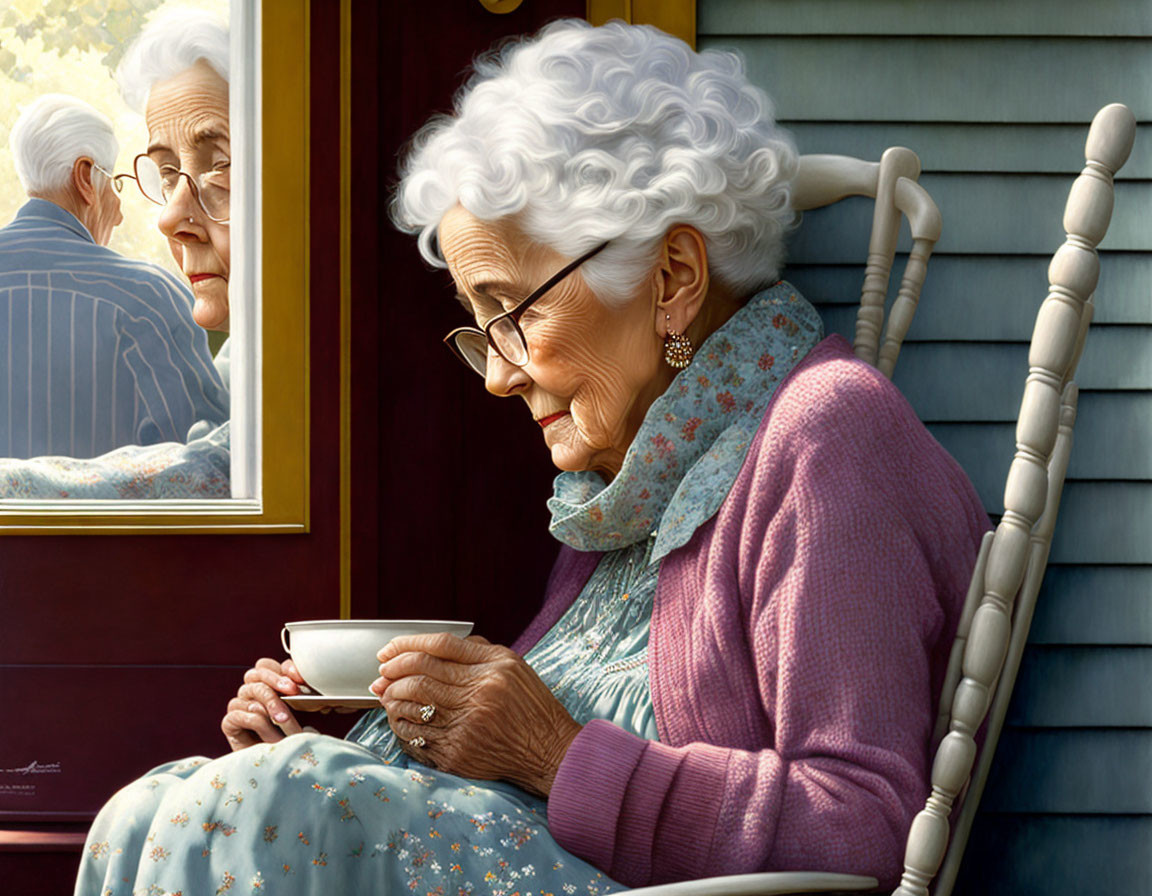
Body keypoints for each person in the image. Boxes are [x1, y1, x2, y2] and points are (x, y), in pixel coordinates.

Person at [75, 19, 990, 894]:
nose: (497, 379)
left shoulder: (828, 437)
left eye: (513, 315)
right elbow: (497, 785)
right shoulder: (634, 477)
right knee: (149, 809)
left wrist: (548, 752)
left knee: (254, 804)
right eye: (480, 331)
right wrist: (332, 752)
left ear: (671, 279)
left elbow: (866, 824)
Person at [0, 13, 233, 498]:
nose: (162, 219)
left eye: (220, 164)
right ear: (87, 178)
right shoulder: (148, 297)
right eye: (166, 173)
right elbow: (206, 483)